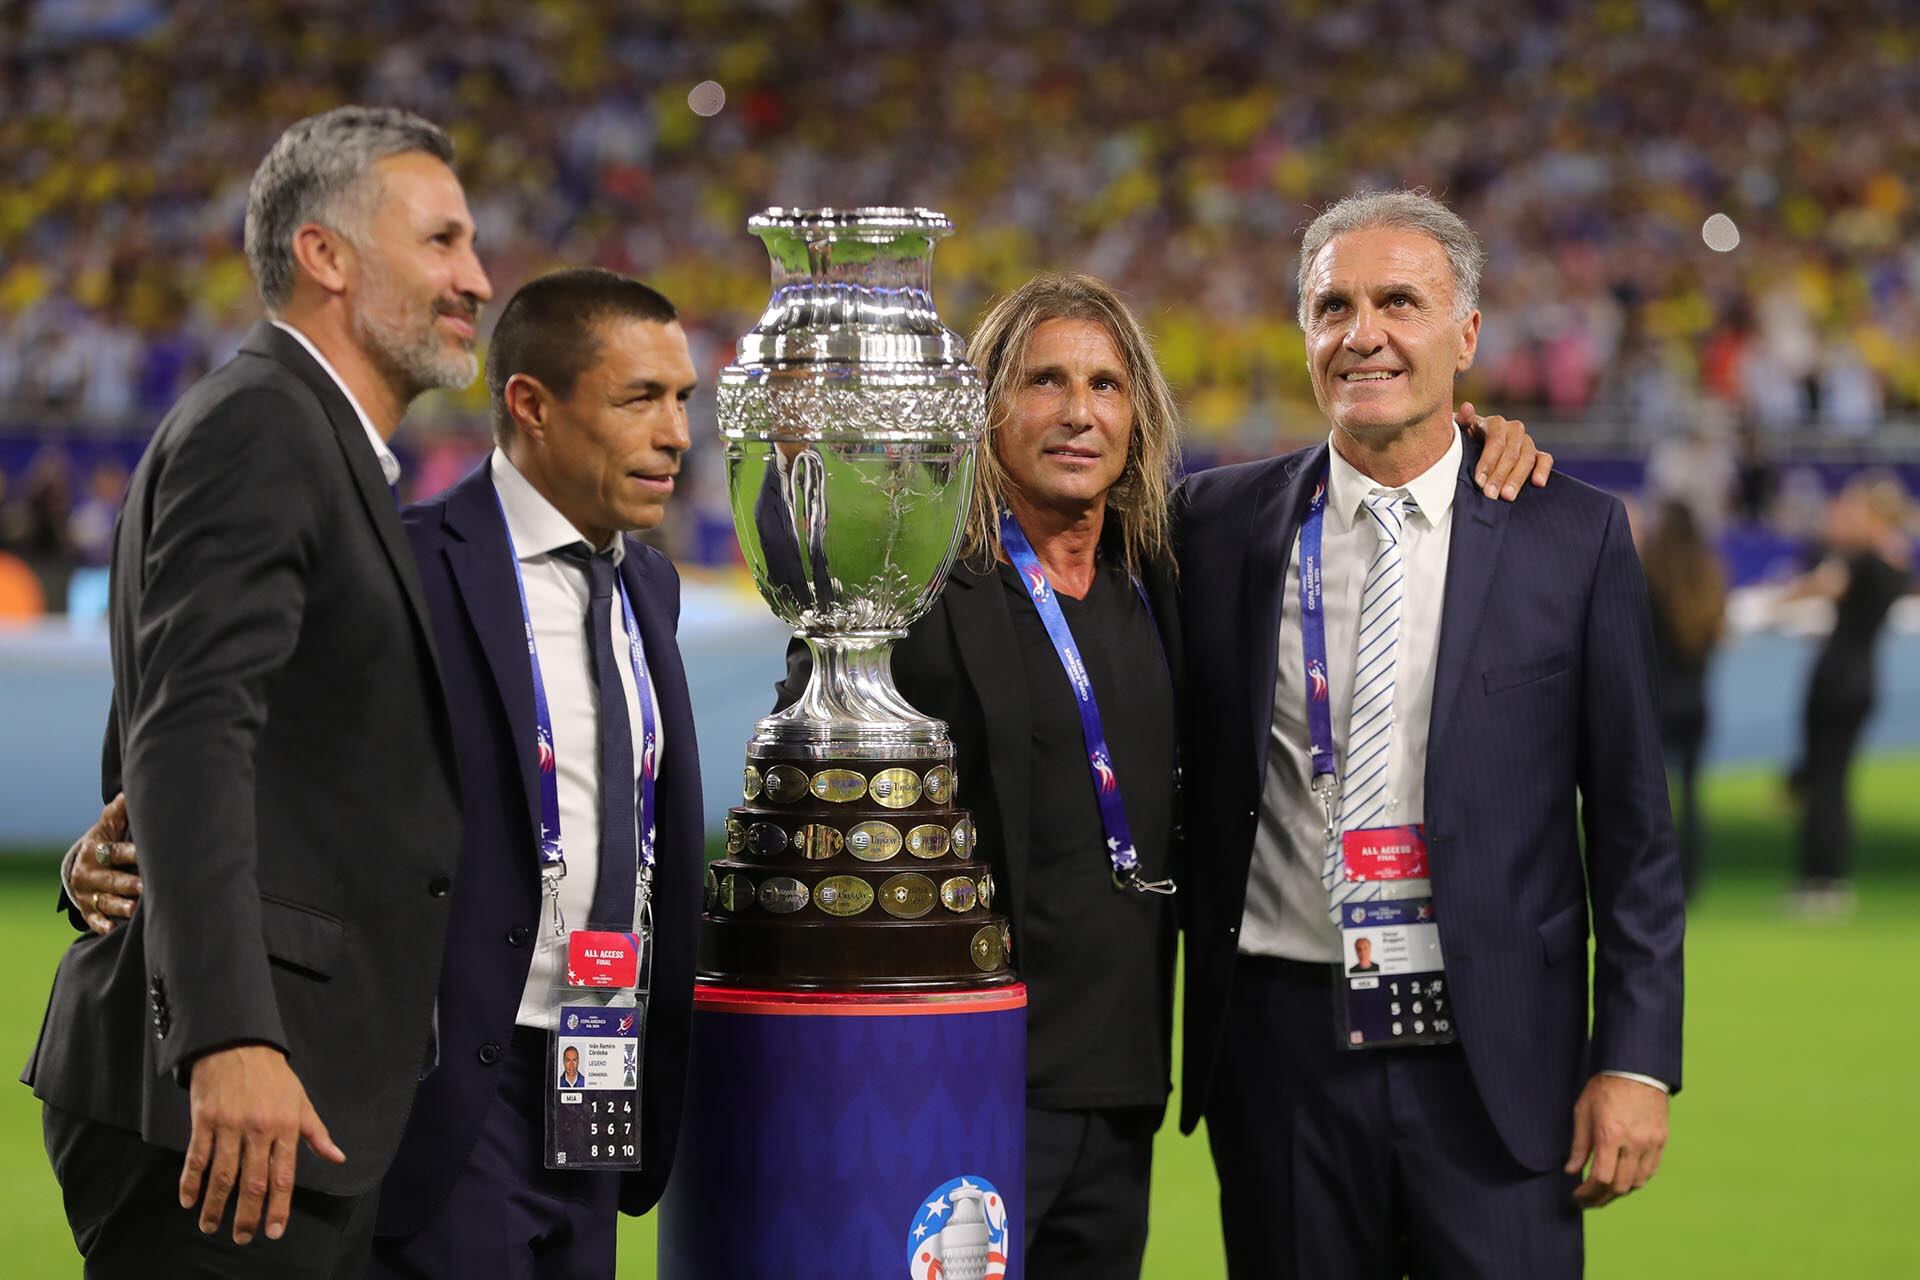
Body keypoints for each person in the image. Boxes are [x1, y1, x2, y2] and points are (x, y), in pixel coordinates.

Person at [774, 272, 1547, 1278]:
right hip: (955, 1079)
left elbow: (1381, 463)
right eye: (1044, 380)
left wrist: (1468, 432)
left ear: (1139, 412)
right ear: (983, 405)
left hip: (1121, 1085)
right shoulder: (910, 590)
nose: (1079, 411)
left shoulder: (1166, 566)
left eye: (1106, 383)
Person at [59, 268, 708, 1279]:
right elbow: (186, 731)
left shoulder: (649, 586)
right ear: (531, 405)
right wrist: (106, 854)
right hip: (451, 1085)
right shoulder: (401, 566)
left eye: (684, 400)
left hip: (598, 1072)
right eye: (641, 399)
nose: (676, 432)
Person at [1175, 190, 1685, 1278]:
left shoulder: (1572, 534)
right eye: (1333, 306)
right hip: (1280, 1049)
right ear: (1304, 335)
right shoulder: (1213, 525)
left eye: (1399, 301)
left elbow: (1637, 829)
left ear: (1466, 334)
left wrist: (1637, 1058)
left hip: (1497, 1050)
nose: (1363, 333)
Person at [23, 106, 490, 1275]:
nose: (475, 278)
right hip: (235, 1105)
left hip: (294, 1093)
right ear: (325, 255)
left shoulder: (312, 441)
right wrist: (230, 1034)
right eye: (440, 241)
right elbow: (189, 735)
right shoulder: (268, 426)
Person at [1784, 474, 1913, 917]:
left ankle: (1819, 880)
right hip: (1864, 679)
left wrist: (1783, 596)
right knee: (1835, 782)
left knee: (1824, 783)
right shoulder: (1895, 564)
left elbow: (1822, 586)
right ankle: (1830, 877)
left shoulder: (1861, 561)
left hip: (1837, 678)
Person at [1638, 499, 1727, 899]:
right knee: (1691, 796)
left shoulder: (1650, 571)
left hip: (1655, 701)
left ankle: (1653, 874)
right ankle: (1690, 879)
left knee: (1648, 796)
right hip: (1696, 701)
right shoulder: (1709, 577)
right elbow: (1718, 635)